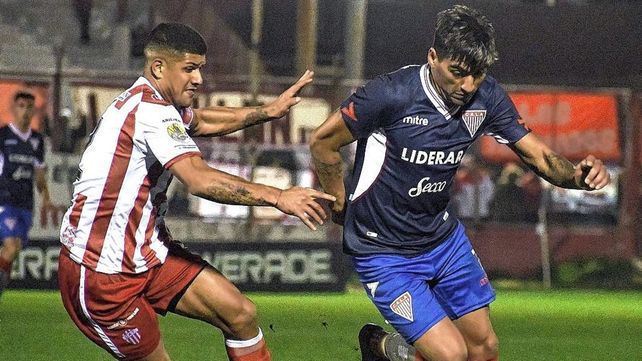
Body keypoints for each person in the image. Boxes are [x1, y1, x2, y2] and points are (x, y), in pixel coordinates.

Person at [309, 5, 610, 361]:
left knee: (484, 349)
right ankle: (383, 346)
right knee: (451, 355)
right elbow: (322, 142)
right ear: (433, 57)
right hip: (384, 252)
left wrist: (578, 177)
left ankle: (388, 351)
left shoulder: (487, 97)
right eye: (458, 73)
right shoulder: (389, 95)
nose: (468, 86)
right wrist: (339, 200)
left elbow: (538, 156)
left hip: (442, 242)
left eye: (478, 74)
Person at [58, 23, 334, 361]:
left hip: (149, 254)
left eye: (200, 69)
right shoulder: (151, 112)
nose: (199, 79)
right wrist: (277, 196)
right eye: (189, 69)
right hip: (103, 273)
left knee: (240, 314)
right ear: (159, 67)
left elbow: (202, 121)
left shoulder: (156, 104)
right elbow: (199, 179)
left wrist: (267, 112)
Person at [0, 91, 52, 298]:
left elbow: (39, 174)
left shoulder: (37, 141)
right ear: (14, 109)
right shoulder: (3, 136)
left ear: (34, 111)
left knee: (13, 251)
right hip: (5, 201)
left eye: (29, 107)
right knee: (11, 247)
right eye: (21, 106)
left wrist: (46, 199)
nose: (25, 111)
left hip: (25, 204)